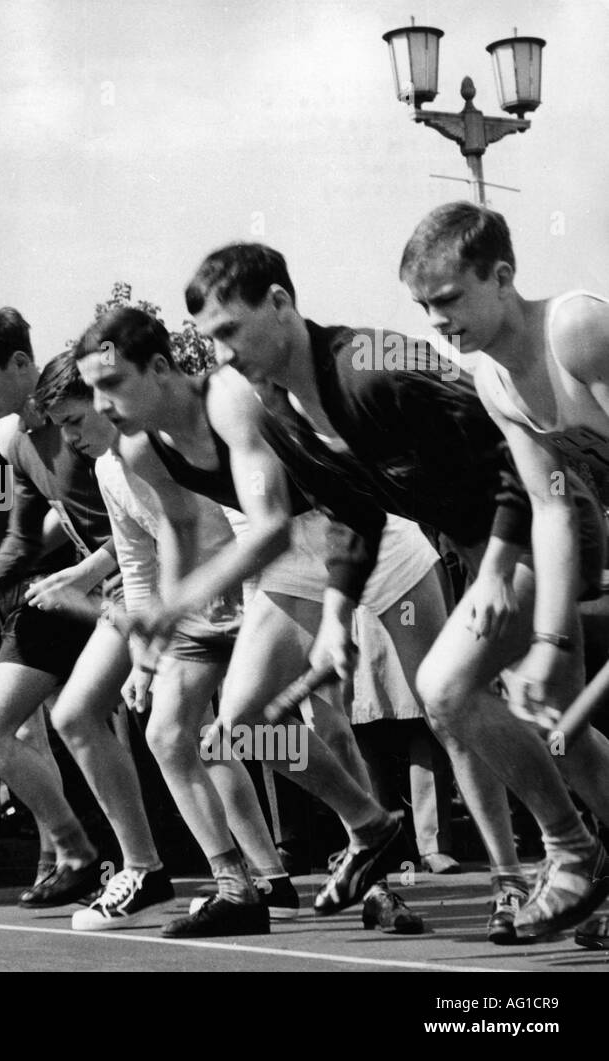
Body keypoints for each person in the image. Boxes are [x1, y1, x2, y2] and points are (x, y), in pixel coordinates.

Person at [186, 240, 609, 943]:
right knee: (559, 725)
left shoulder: (372, 370)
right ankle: (579, 860)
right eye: (211, 340)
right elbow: (354, 515)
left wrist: (498, 567)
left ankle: (567, 851)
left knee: (445, 687)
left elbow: (512, 456)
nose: (223, 354)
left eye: (231, 330)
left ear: (281, 305)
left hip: (540, 523)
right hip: (486, 542)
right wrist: (336, 618)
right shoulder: (286, 409)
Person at [76, 309, 449, 935]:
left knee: (455, 712)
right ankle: (371, 825)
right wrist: (162, 620)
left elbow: (271, 528)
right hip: (293, 566)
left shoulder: (229, 398)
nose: (101, 404)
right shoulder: (141, 449)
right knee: (238, 729)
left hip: (364, 537)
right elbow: (180, 525)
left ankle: (539, 861)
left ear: (162, 367)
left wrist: (175, 604)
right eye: (93, 390)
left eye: (111, 383)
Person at [399, 201, 609, 948]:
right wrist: (549, 640)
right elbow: (549, 508)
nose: (439, 321)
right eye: (425, 308)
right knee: (553, 707)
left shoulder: (577, 330)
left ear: (503, 276)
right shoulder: (493, 379)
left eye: (450, 299)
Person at [36, 351, 300, 929]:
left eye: (77, 419)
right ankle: (240, 884)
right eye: (63, 426)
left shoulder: (171, 443)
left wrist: (253, 600)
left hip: (267, 591)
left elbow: (239, 518)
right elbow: (135, 564)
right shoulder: (110, 469)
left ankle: (374, 854)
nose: (72, 436)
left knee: (284, 736)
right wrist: (143, 658)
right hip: (198, 616)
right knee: (174, 734)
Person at [0, 308, 172, 921]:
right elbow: (23, 539)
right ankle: (77, 853)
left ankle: (203, 867)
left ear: (21, 364)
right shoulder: (16, 440)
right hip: (62, 594)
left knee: (178, 729)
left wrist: (86, 572)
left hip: (126, 585)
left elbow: (141, 522)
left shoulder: (92, 426)